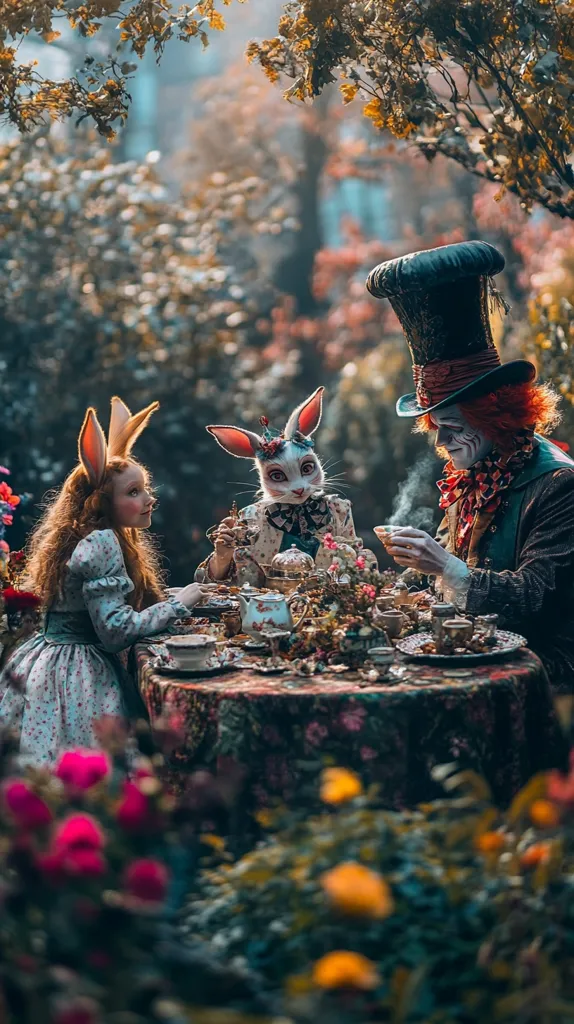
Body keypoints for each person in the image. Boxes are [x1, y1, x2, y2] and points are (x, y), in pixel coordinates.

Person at [366, 240, 574, 693]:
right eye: (435, 426)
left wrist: (443, 566)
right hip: (471, 652)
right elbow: (438, 574)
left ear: (495, 416)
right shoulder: (476, 471)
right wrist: (374, 586)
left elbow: (533, 597)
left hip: (541, 670)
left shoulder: (558, 485)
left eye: (453, 425)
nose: (441, 441)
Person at [0, 397, 213, 765]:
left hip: (46, 659)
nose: (149, 499)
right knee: (85, 764)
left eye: (145, 488)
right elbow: (114, 631)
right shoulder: (100, 543)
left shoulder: (83, 537)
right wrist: (179, 605)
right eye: (133, 492)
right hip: (76, 675)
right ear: (102, 502)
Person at [196, 387, 377, 582]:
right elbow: (208, 583)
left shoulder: (338, 510)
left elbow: (361, 572)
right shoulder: (251, 519)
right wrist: (222, 559)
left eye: (307, 469)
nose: (298, 486)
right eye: (278, 476)